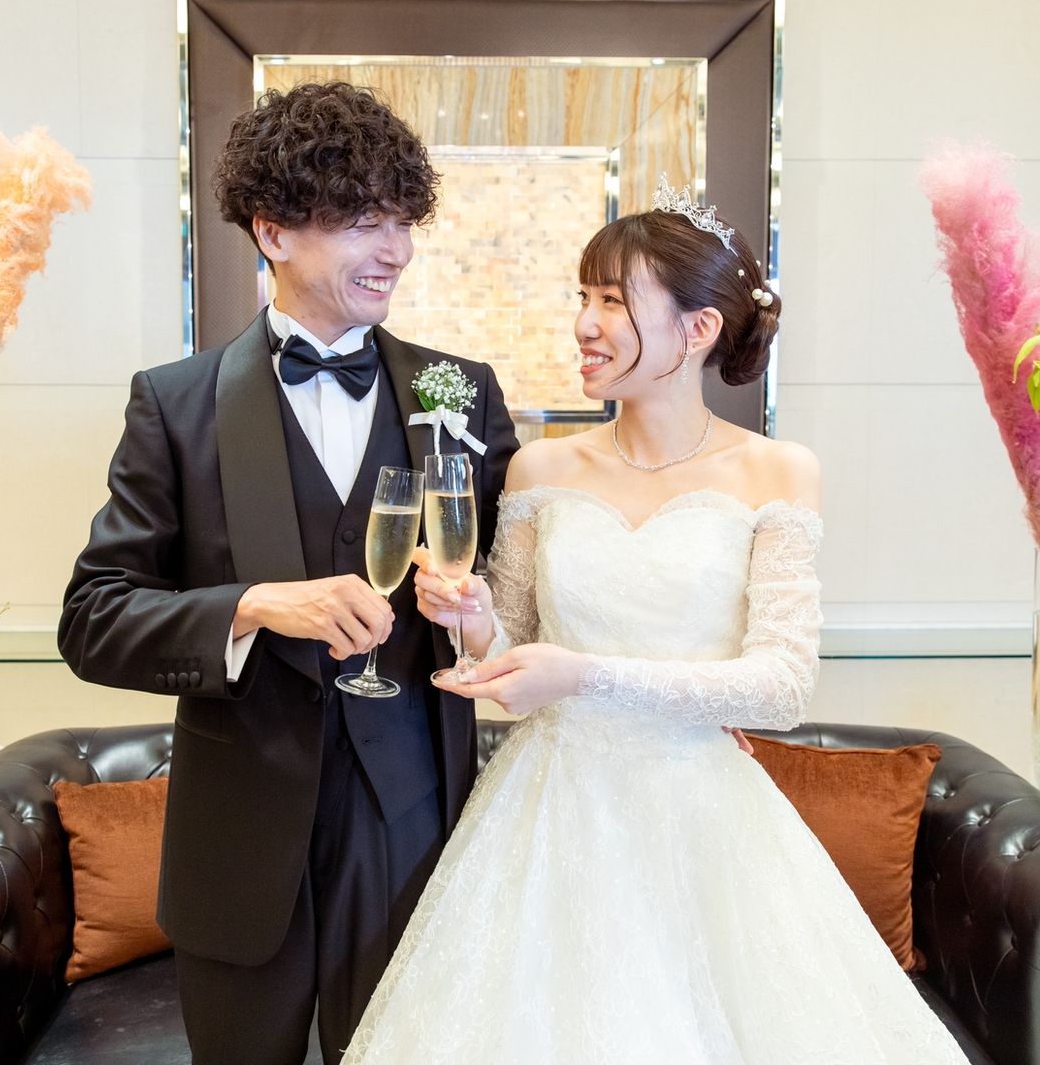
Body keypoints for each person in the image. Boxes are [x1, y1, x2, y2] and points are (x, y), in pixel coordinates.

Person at [344, 181, 971, 1064]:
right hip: (549, 813)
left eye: (613, 301)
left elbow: (781, 687)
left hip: (704, 821)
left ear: (698, 327)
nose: (584, 325)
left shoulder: (777, 473)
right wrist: (476, 621)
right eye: (583, 297)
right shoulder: (539, 470)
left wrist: (584, 674)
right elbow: (510, 653)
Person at [58, 81, 519, 1065]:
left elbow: (514, 596)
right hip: (241, 837)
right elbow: (93, 618)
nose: (395, 249)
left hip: (413, 821)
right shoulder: (175, 405)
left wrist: (474, 611)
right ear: (271, 231)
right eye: (362, 221)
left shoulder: (460, 394)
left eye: (402, 220)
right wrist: (254, 606)